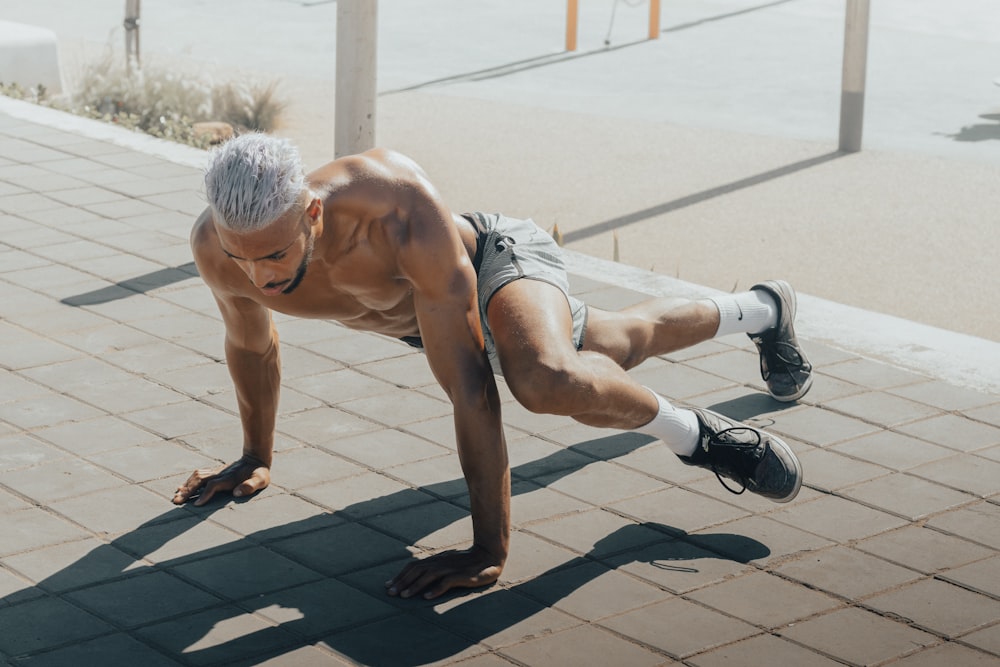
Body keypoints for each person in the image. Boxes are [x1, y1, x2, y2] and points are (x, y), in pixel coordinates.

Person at [174, 134, 812, 600]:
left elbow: (472, 390)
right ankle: (762, 308)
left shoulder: (392, 204)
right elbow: (252, 343)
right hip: (420, 318)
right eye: (242, 257)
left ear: (311, 212)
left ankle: (696, 436)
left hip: (486, 267)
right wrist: (256, 454)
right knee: (617, 346)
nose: (261, 276)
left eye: (277, 254)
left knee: (545, 378)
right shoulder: (217, 248)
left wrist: (488, 549)